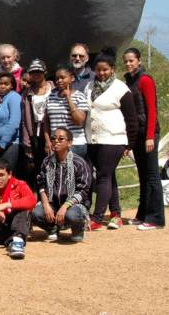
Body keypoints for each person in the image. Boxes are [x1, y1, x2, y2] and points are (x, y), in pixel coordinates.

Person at [84, 48, 138, 231]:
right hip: (93, 139)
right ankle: (116, 214)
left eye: (105, 69)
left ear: (112, 69)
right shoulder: (89, 87)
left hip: (113, 139)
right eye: (98, 70)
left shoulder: (121, 89)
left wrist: (130, 144)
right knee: (109, 176)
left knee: (103, 176)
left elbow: (131, 118)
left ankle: (97, 217)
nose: (101, 73)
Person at [123, 47, 165, 230]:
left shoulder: (145, 80)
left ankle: (156, 218)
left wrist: (150, 136)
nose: (128, 64)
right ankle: (142, 214)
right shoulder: (130, 81)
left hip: (149, 133)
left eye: (131, 60)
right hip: (137, 133)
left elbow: (152, 109)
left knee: (152, 175)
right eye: (126, 61)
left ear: (139, 61)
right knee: (143, 175)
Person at [32, 128, 91, 242]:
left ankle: (78, 229)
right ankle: (52, 229)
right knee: (36, 213)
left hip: (74, 205)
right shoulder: (47, 162)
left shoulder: (79, 163)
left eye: (61, 139)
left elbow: (83, 190)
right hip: (52, 203)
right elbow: (41, 184)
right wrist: (46, 204)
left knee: (72, 215)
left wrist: (65, 206)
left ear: (69, 143)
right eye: (53, 139)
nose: (56, 141)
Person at [42, 64, 90, 159]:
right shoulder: (51, 97)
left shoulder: (79, 97)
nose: (59, 81)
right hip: (56, 145)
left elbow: (79, 121)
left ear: (72, 78)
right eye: (57, 78)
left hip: (75, 144)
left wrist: (68, 98)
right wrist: (48, 141)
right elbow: (46, 122)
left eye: (62, 77)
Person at [19, 59, 53, 186]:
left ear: (45, 72)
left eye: (39, 71)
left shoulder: (53, 89)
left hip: (52, 130)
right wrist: (27, 141)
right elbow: (25, 118)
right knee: (39, 167)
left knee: (53, 164)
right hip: (35, 132)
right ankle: (41, 194)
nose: (36, 74)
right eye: (33, 72)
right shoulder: (27, 93)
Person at [0, 72, 22, 170]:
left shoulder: (14, 97)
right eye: (0, 83)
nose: (2, 86)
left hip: (10, 144)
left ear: (12, 86)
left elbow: (14, 123)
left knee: (5, 173)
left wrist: (3, 144)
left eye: (6, 84)